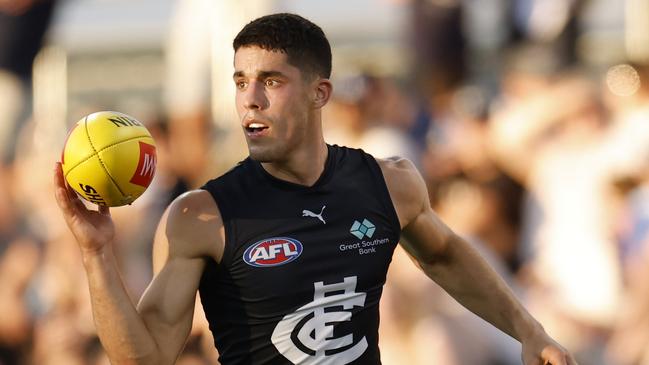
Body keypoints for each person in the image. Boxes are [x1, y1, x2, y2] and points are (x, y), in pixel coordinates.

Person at [53, 13, 577, 365]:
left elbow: (444, 256)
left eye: (271, 81)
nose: (249, 100)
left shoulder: (389, 183)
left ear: (318, 93)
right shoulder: (202, 216)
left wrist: (527, 329)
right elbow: (145, 358)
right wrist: (96, 251)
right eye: (239, 82)